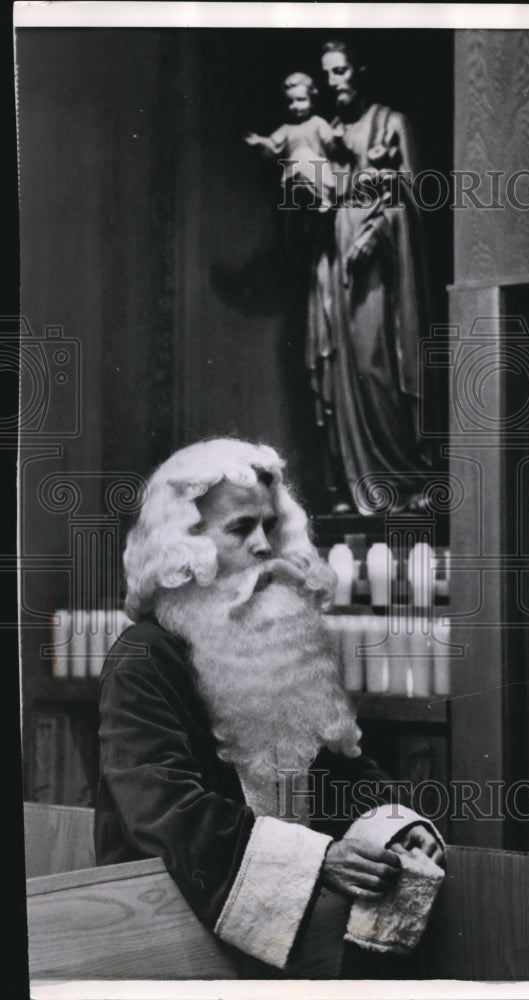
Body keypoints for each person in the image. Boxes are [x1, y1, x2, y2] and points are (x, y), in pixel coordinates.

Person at [95, 437, 445, 978]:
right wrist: (317, 860)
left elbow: (339, 766)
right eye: (239, 528)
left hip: (293, 933)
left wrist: (395, 825)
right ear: (185, 544)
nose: (263, 546)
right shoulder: (146, 655)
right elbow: (166, 811)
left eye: (268, 526)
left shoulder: (280, 639)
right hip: (163, 933)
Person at [307, 40, 436, 514]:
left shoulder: (392, 122)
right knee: (343, 369)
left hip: (382, 263)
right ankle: (354, 483)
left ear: (359, 70)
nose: (334, 83)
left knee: (376, 362)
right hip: (336, 264)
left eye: (341, 71)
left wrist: (380, 228)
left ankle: (406, 478)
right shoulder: (327, 133)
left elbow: (422, 198)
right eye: (327, 75)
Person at [244, 71, 346, 213]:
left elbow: (331, 143)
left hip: (316, 172)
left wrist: (337, 136)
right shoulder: (287, 129)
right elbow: (274, 145)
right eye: (290, 101)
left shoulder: (317, 122)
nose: (295, 106)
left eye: (301, 99)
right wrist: (260, 141)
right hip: (297, 175)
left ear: (312, 100)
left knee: (304, 155)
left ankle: (325, 197)